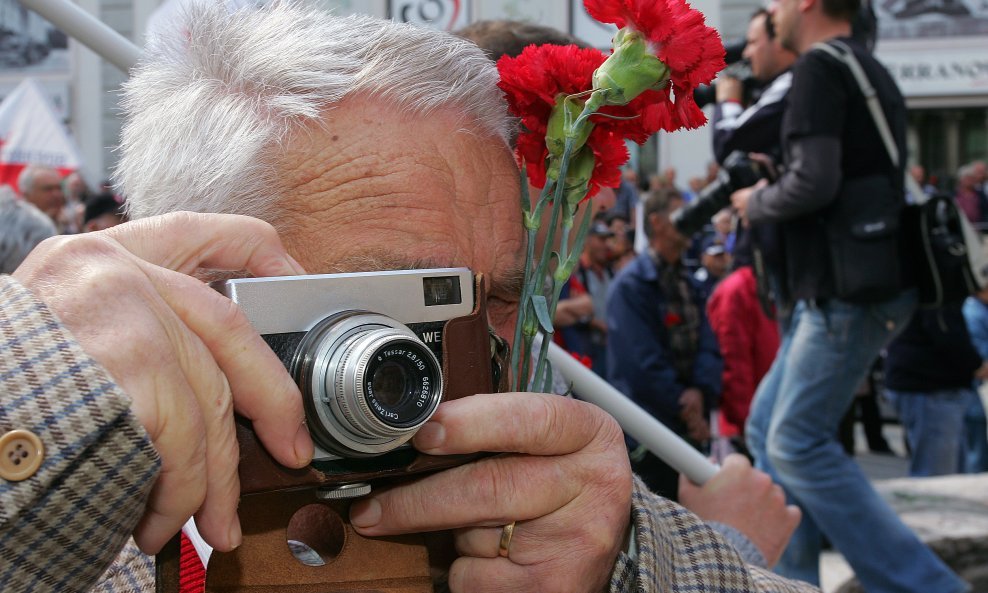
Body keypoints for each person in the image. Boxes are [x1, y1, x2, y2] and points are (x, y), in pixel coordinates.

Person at [2, 5, 809, 593]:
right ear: (187, 289)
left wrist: (628, 564)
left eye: (497, 297)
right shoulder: (72, 518)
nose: (452, 364)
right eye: (387, 308)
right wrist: (34, 409)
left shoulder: (554, 516)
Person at [730, 0, 968, 588]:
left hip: (845, 291)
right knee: (767, 431)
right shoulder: (865, 65)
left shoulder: (818, 68)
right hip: (856, 284)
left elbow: (813, 181)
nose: (775, 11)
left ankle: (931, 586)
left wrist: (752, 203)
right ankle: (794, 582)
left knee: (795, 441)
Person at [607, 189, 722, 500]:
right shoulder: (631, 286)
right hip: (651, 435)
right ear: (656, 222)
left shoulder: (688, 281)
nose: (691, 221)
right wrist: (685, 404)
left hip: (688, 425)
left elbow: (709, 344)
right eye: (680, 213)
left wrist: (699, 392)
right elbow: (640, 363)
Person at [884, 304, 987, 476]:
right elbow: (946, 333)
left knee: (950, 477)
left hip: (937, 388)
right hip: (929, 389)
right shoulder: (940, 294)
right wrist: (976, 366)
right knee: (937, 478)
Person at [712, 9, 797, 165]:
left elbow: (726, 144)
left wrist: (728, 101)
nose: (746, 54)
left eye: (752, 43)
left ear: (778, 40)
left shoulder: (790, 82)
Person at [0, 186, 57, 274]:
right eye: (47, 189)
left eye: (58, 188)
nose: (56, 194)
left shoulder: (40, 221)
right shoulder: (38, 224)